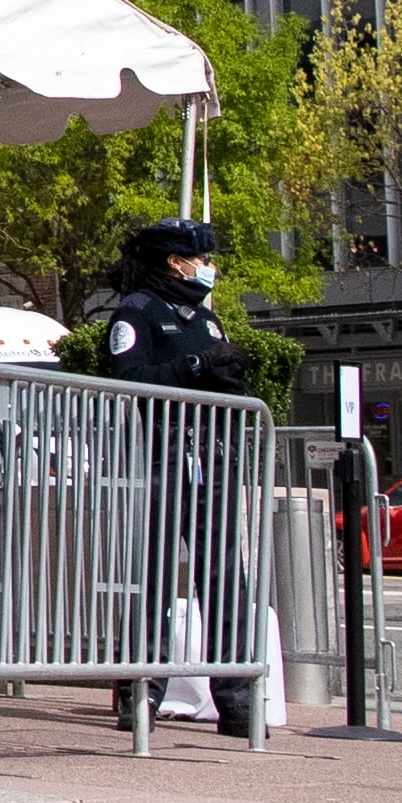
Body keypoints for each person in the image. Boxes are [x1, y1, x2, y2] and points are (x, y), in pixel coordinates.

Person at [96, 217, 262, 741]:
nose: (208, 267)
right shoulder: (136, 313)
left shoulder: (205, 319)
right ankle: (142, 692)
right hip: (162, 460)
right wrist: (194, 366)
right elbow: (129, 379)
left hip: (209, 460)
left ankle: (236, 701)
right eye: (203, 258)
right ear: (175, 261)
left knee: (223, 581)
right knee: (157, 581)